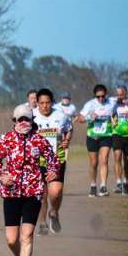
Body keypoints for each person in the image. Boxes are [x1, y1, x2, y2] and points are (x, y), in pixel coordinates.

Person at [0, 104, 59, 256]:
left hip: (33, 192)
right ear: (14, 121)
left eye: (27, 119)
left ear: (32, 120)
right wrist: (1, 175)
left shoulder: (39, 141)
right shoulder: (5, 140)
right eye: (21, 119)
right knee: (12, 240)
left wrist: (52, 171)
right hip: (11, 193)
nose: (24, 122)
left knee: (26, 236)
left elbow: (53, 159)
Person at [33, 88, 72, 235]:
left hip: (57, 158)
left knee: (56, 192)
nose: (45, 106)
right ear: (37, 103)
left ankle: (54, 213)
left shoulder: (61, 115)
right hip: (38, 160)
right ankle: (42, 223)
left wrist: (67, 140)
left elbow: (69, 129)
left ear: (52, 102)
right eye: (41, 103)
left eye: (47, 102)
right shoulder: (32, 117)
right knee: (42, 193)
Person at [77, 84, 115, 197]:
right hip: (92, 136)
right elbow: (80, 118)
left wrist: (115, 120)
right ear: (95, 96)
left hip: (106, 135)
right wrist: (89, 117)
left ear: (106, 95)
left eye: (103, 96)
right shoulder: (90, 104)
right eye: (98, 97)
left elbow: (117, 111)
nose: (101, 99)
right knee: (94, 163)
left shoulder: (111, 103)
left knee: (104, 160)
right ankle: (93, 185)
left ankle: (103, 186)